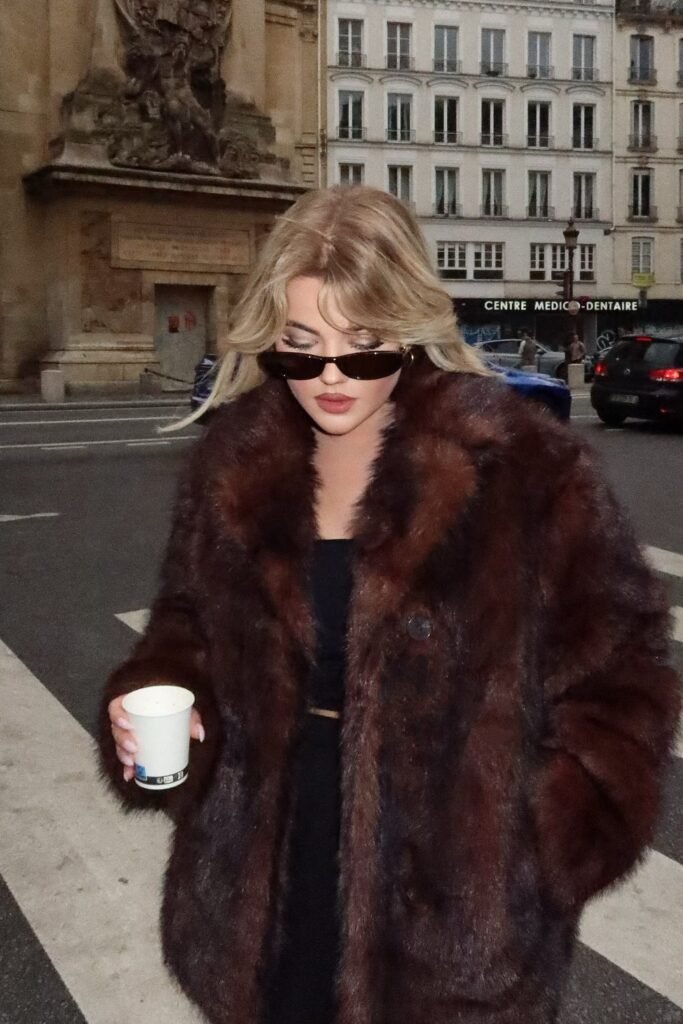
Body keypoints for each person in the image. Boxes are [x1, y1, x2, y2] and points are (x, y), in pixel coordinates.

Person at [98, 185, 680, 1024]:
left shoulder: (523, 468)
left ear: (408, 329)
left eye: (364, 348)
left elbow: (624, 675)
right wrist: (155, 702)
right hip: (264, 887)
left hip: (455, 920)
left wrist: (540, 845)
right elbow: (183, 629)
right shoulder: (235, 467)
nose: (330, 376)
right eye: (302, 348)